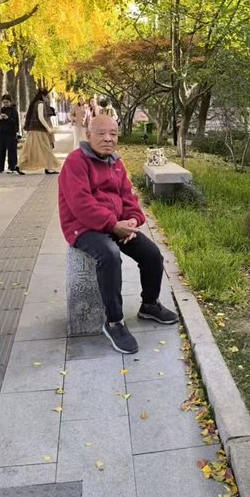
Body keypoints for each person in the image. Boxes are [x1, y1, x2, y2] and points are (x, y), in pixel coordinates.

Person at [58, 115, 179, 354]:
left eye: (113, 134)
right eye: (101, 133)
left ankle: (150, 304)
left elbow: (128, 196)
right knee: (110, 255)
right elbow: (81, 205)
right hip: (83, 227)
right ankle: (114, 321)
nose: (108, 139)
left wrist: (132, 220)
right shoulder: (76, 162)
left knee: (152, 255)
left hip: (116, 224)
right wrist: (113, 225)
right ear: (88, 135)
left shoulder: (116, 162)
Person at [19, 89, 60, 174]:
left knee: (29, 149)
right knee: (46, 148)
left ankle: (19, 166)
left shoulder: (34, 104)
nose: (47, 99)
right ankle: (49, 168)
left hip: (33, 130)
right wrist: (48, 128)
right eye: (46, 97)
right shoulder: (40, 104)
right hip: (39, 131)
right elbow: (41, 117)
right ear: (43, 96)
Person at [0, 95, 23, 174]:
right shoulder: (0, 110)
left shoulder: (13, 110)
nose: (5, 104)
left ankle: (12, 167)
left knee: (12, 151)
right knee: (0, 151)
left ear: (10, 102)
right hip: (2, 133)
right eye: (4, 102)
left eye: (7, 102)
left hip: (11, 133)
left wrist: (8, 118)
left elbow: (15, 122)